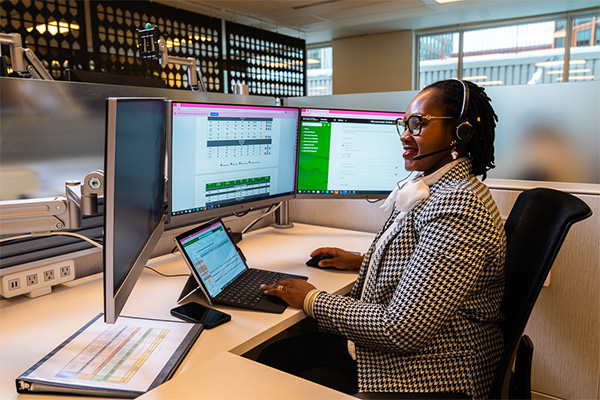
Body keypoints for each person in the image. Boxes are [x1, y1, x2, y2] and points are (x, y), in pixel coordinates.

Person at [260, 79, 505, 399]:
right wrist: (364, 260)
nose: (405, 134)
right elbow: (429, 262)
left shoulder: (458, 206)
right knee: (273, 359)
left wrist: (311, 298)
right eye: (404, 124)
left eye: (418, 124)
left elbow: (401, 329)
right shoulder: (432, 187)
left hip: (432, 371)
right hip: (411, 352)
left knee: (273, 378)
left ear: (460, 132)